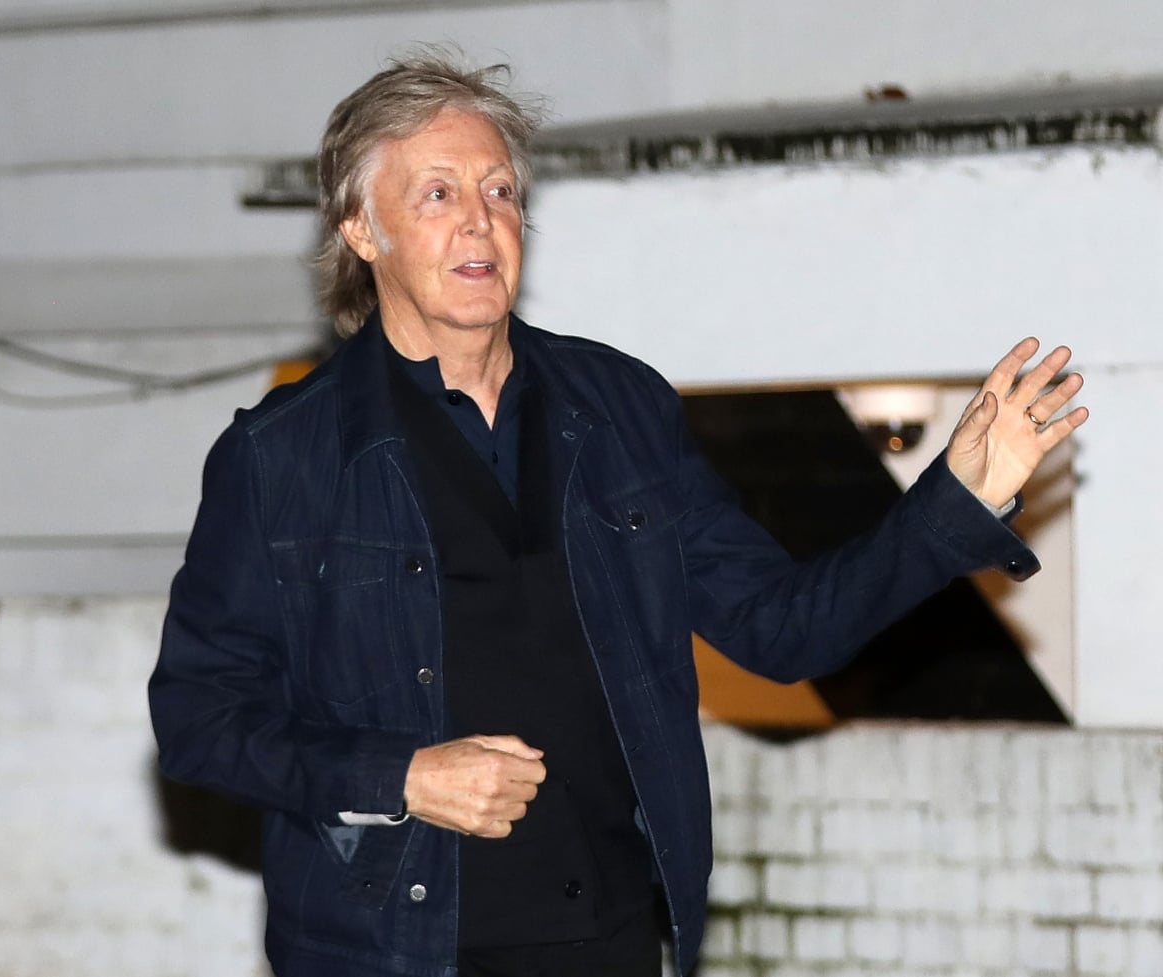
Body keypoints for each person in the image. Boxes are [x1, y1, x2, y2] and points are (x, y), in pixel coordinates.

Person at [147, 52, 1088, 977]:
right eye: (437, 193)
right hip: (391, 949)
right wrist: (401, 777)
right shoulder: (283, 454)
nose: (480, 219)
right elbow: (198, 718)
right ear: (362, 229)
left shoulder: (620, 410)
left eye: (501, 190)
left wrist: (957, 499)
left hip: (607, 940)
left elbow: (784, 627)